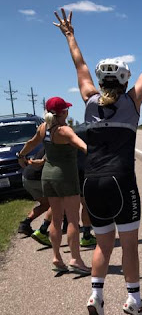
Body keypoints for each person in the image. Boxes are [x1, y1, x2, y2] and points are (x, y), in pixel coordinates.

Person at [54, 8, 142, 315]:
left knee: (104, 243)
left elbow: (79, 65)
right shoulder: (131, 102)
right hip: (121, 181)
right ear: (124, 81)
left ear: (101, 80)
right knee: (130, 245)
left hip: (91, 182)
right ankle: (134, 301)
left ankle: (96, 295)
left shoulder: (89, 101)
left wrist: (70, 35)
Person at [17, 97, 90, 274]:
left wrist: (21, 156)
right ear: (63, 112)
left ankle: (57, 258)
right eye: (66, 109)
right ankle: (76, 260)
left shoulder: (44, 128)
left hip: (47, 176)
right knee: (72, 220)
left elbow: (30, 143)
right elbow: (82, 145)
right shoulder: (64, 130)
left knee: (56, 219)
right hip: (65, 177)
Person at [17, 147, 53, 246]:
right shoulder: (57, 145)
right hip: (38, 178)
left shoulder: (47, 144)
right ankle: (44, 229)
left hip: (27, 177)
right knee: (57, 201)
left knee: (46, 204)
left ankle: (25, 224)